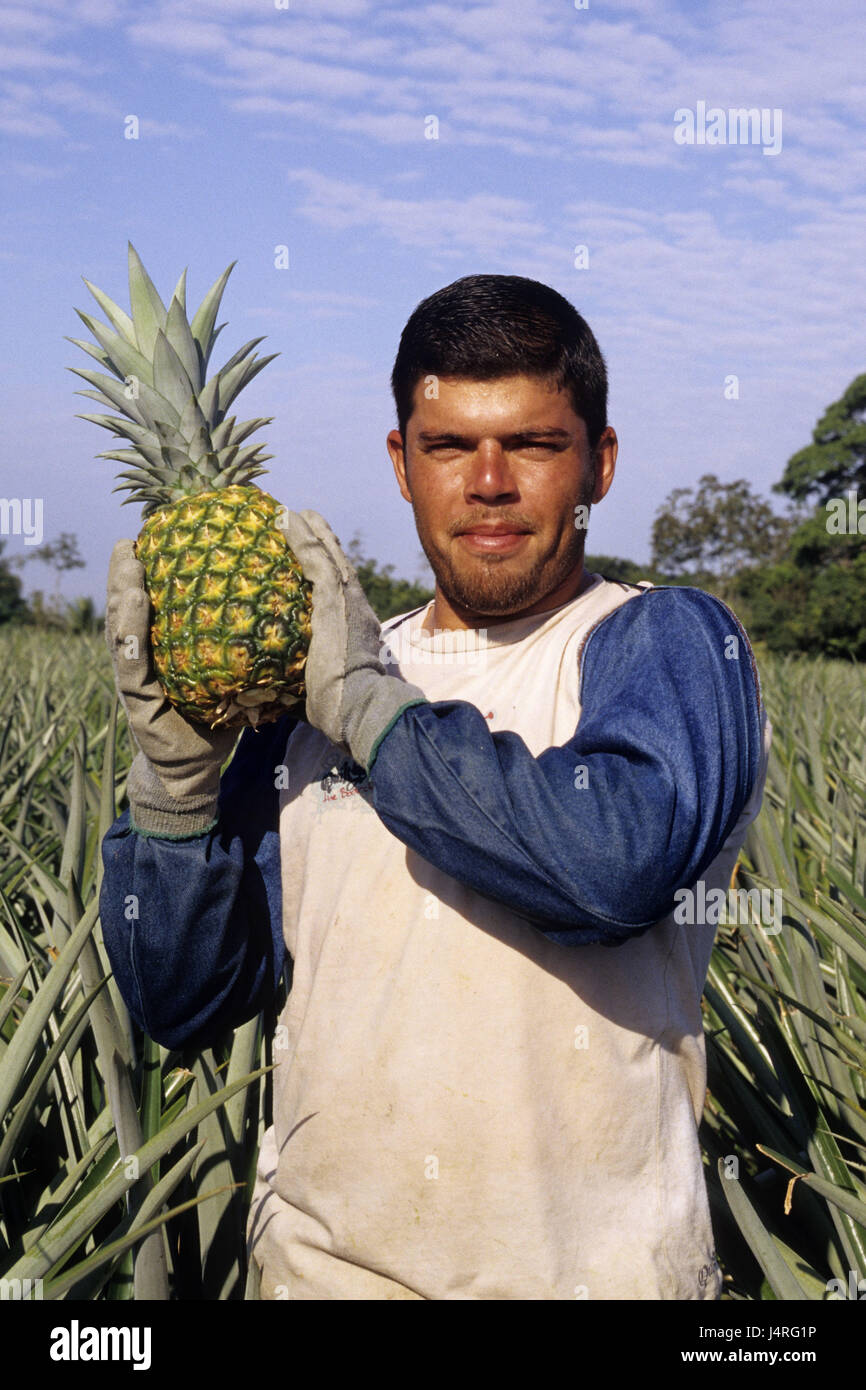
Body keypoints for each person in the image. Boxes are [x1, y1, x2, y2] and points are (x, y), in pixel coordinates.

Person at [100, 274, 771, 1301]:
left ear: (598, 461)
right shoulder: (311, 696)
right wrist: (177, 794)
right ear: (401, 465)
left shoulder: (659, 643)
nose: (488, 481)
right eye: (449, 445)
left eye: (535, 445)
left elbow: (610, 868)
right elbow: (187, 1005)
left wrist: (370, 713)